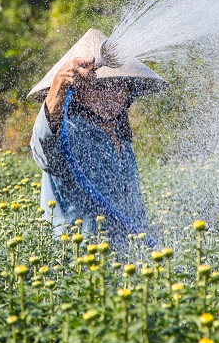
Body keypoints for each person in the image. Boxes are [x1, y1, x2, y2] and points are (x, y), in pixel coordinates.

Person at [28, 28, 166, 251]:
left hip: (125, 266)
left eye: (119, 85)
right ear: (77, 90)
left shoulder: (122, 141)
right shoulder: (67, 134)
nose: (110, 93)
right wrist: (58, 87)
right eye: (98, 86)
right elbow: (44, 150)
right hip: (78, 268)